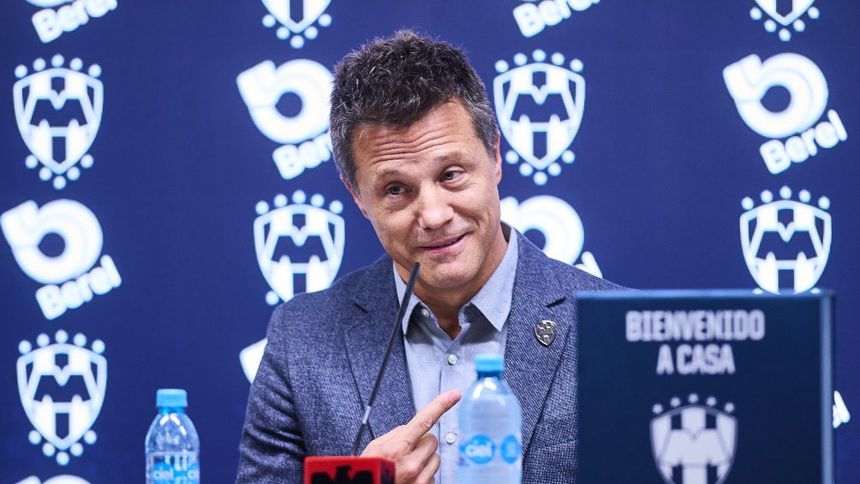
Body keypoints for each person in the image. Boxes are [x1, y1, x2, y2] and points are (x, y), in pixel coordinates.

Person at [237, 30, 619, 484]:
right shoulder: (301, 340)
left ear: (495, 156)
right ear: (358, 197)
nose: (434, 215)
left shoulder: (613, 330)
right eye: (396, 189)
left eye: (451, 174)